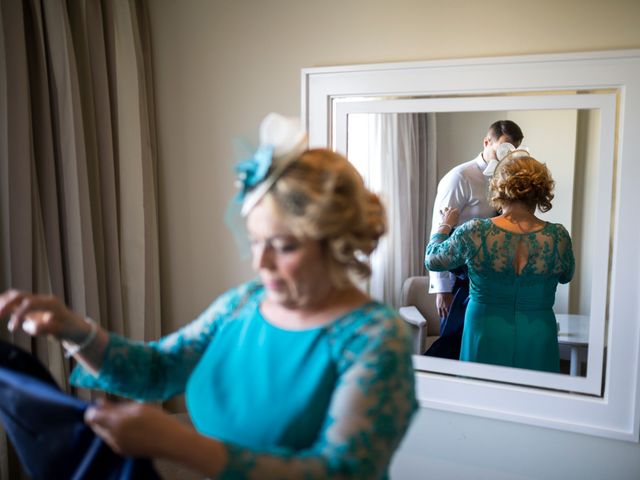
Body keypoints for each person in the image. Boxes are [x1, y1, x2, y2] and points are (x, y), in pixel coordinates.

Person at [0, 113, 417, 478]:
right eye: (255, 242)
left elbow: (340, 473)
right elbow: (157, 370)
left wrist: (180, 445)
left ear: (336, 243)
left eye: (283, 245)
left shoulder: (376, 338)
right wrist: (72, 329)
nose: (261, 262)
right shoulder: (243, 304)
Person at [424, 150, 575, 372]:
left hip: (485, 329)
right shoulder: (558, 236)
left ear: (498, 187)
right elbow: (566, 276)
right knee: (535, 400)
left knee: (483, 398)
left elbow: (433, 259)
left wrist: (445, 225)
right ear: (541, 191)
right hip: (537, 331)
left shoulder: (475, 231)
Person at [425, 120, 524, 359]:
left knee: (482, 350)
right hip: (460, 282)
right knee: (453, 349)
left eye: (512, 150)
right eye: (503, 148)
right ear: (487, 142)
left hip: (491, 282)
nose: (506, 156)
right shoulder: (460, 177)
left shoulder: (508, 177)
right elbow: (440, 229)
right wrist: (442, 289)